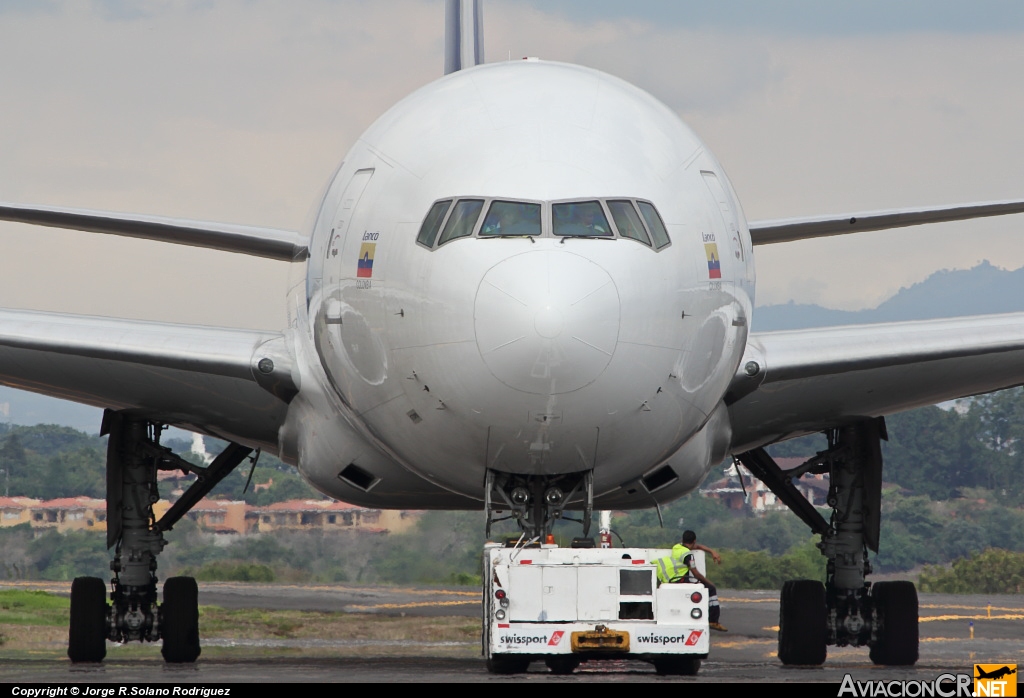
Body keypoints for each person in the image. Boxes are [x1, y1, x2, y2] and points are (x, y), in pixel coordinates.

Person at [654, 530, 727, 632]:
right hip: (681, 580)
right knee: (711, 589)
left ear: (682, 540)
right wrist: (709, 582)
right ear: (694, 541)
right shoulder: (688, 555)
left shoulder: (677, 547)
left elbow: (698, 547)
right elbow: (695, 573)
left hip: (670, 580)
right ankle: (713, 621)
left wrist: (711, 551)